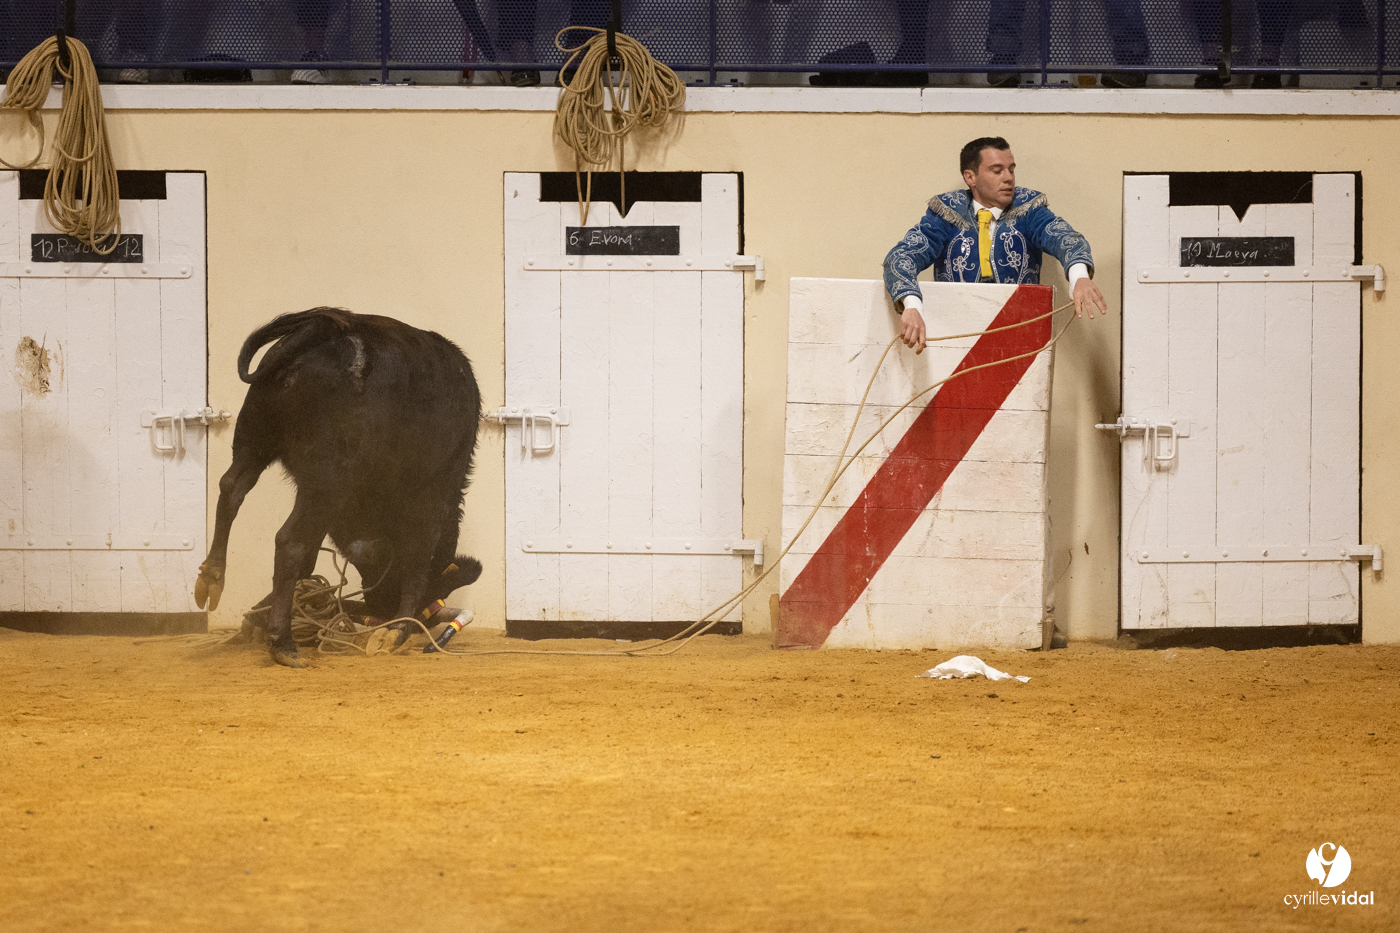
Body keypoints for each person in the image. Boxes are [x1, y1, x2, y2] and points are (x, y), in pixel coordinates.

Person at [882, 136, 1106, 353]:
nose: (1008, 178)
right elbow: (902, 257)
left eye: (1011, 169)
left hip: (1017, 335)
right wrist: (911, 305)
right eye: (997, 171)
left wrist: (1080, 276)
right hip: (956, 337)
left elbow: (1065, 239)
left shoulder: (1029, 210)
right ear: (970, 177)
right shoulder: (947, 214)